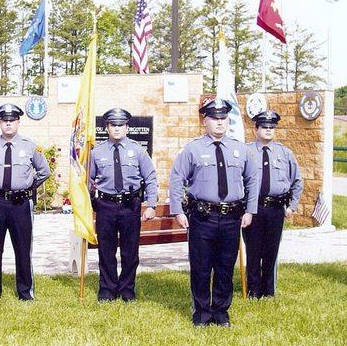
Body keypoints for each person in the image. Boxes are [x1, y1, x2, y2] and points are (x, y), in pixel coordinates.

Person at [169, 98, 258, 327]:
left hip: (231, 217)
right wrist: (178, 210)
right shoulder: (193, 149)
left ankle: (221, 312)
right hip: (202, 217)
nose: (219, 123)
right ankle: (201, 313)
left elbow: (252, 179)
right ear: (205, 121)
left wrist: (250, 210)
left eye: (223, 118)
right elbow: (177, 178)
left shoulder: (240, 149)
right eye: (214, 118)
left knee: (225, 266)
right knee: (201, 267)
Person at [89, 108, 157, 302]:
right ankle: (107, 290)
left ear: (127, 127)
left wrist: (151, 204)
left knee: (130, 251)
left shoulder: (138, 151)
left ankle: (127, 289)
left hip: (130, 206)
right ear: (107, 127)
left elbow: (150, 178)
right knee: (106, 250)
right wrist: (88, 203)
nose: (117, 129)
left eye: (121, 125)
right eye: (113, 125)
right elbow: (88, 180)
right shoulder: (96, 152)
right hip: (106, 206)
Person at [0, 103, 50, 301]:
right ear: (0, 123)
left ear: (18, 122)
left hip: (20, 204)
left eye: (12, 120)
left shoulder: (30, 146)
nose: (8, 124)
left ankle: (25, 291)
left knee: (22, 248)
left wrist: (28, 187)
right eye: (5, 120)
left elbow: (44, 171)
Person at [243, 110, 303, 299]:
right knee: (253, 250)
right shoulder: (246, 152)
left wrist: (292, 206)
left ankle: (268, 291)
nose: (268, 130)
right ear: (256, 129)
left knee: (271, 250)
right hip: (254, 208)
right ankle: (254, 290)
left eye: (272, 127)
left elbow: (297, 180)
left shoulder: (284, 153)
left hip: (276, 208)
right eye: (264, 127)